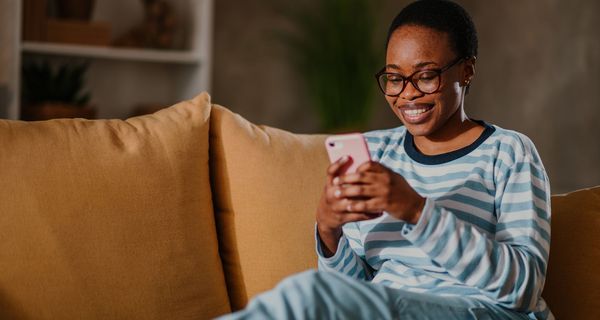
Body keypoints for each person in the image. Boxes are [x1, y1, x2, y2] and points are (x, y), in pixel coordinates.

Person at [218, 0, 552, 319]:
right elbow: (351, 293)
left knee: (306, 296)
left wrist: (417, 212)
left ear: (466, 71)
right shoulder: (377, 153)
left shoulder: (508, 152)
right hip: (385, 308)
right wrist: (329, 232)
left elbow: (523, 287)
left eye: (425, 76)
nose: (407, 93)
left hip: (480, 311)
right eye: (394, 78)